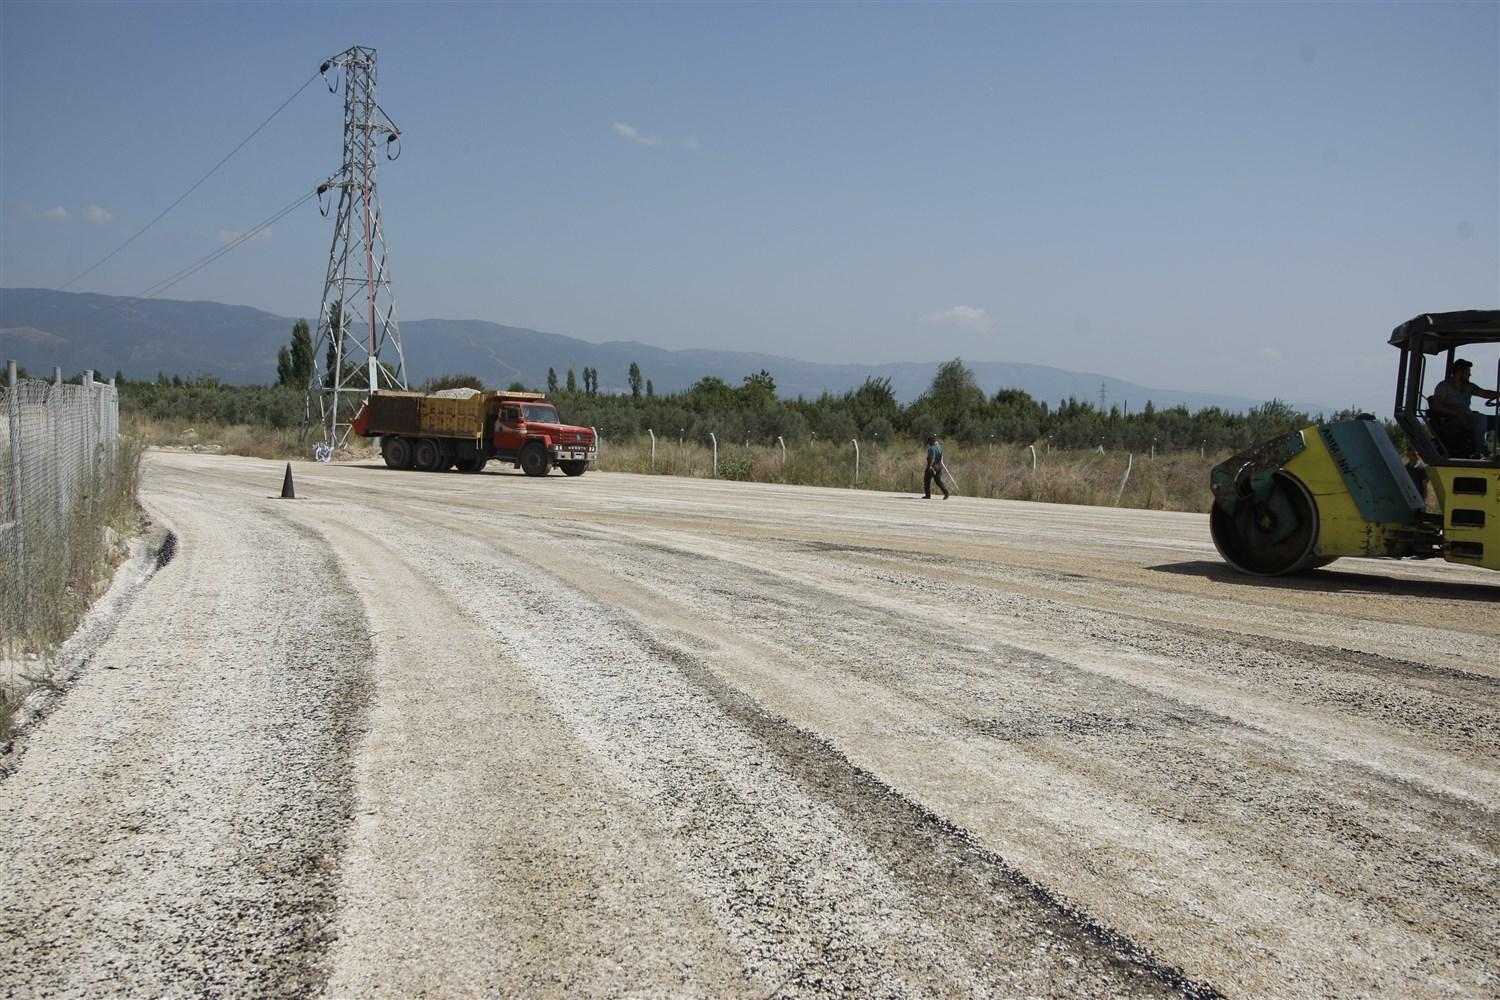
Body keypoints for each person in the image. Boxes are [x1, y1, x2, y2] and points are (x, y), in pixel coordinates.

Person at [1432, 359, 1499, 457]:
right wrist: (1457, 413)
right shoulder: (1443, 386)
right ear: (1460, 373)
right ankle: (1482, 452)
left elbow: (1485, 393)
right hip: (1451, 420)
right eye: (1468, 372)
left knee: (1498, 420)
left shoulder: (1469, 387)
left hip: (1468, 418)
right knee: (1480, 418)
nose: (1470, 375)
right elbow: (1437, 405)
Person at [922, 434, 950, 499]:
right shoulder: (940, 447)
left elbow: (932, 458)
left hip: (932, 467)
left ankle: (928, 495)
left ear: (932, 441)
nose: (928, 443)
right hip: (939, 466)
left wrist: (929, 467)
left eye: (929, 442)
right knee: (938, 481)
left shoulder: (931, 449)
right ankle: (946, 492)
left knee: (927, 480)